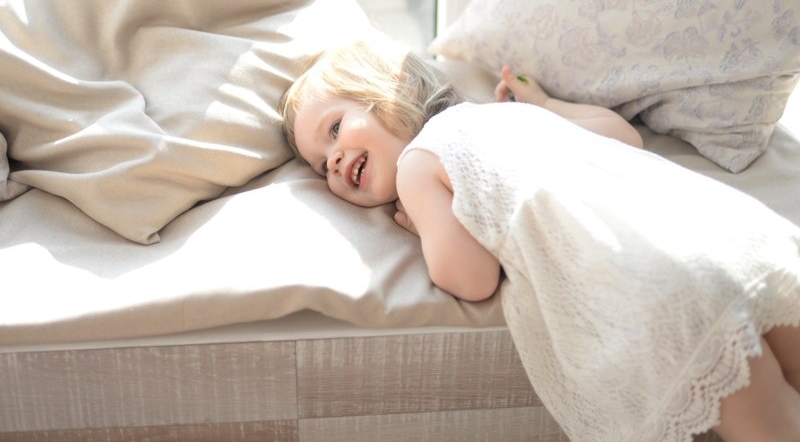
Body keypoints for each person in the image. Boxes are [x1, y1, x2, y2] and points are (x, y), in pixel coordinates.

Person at [279, 37, 800, 442]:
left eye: (335, 129)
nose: (335, 162)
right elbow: (624, 137)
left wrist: (426, 225)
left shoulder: (418, 167)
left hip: (658, 286)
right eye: (322, 167)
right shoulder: (507, 116)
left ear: (388, 90)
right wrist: (548, 102)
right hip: (715, 227)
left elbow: (471, 278)